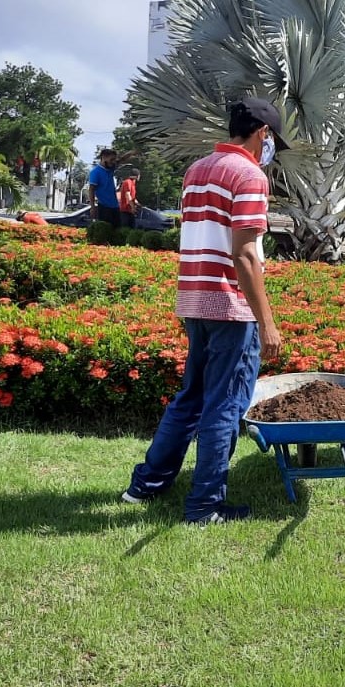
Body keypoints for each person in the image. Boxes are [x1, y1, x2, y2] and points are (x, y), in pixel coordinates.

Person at [122, 96, 290, 525]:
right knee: (225, 405)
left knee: (191, 397)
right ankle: (205, 505)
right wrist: (267, 322)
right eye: (273, 140)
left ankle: (147, 484)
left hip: (193, 300)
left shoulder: (197, 170)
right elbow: (246, 255)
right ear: (262, 133)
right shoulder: (249, 175)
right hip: (230, 306)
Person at [88, 148, 135, 228]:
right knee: (106, 231)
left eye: (114, 160)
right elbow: (91, 190)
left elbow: (121, 159)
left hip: (115, 207)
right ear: (103, 157)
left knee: (117, 232)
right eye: (111, 159)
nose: (113, 162)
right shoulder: (95, 172)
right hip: (104, 207)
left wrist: (132, 152)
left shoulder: (110, 168)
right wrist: (92, 207)